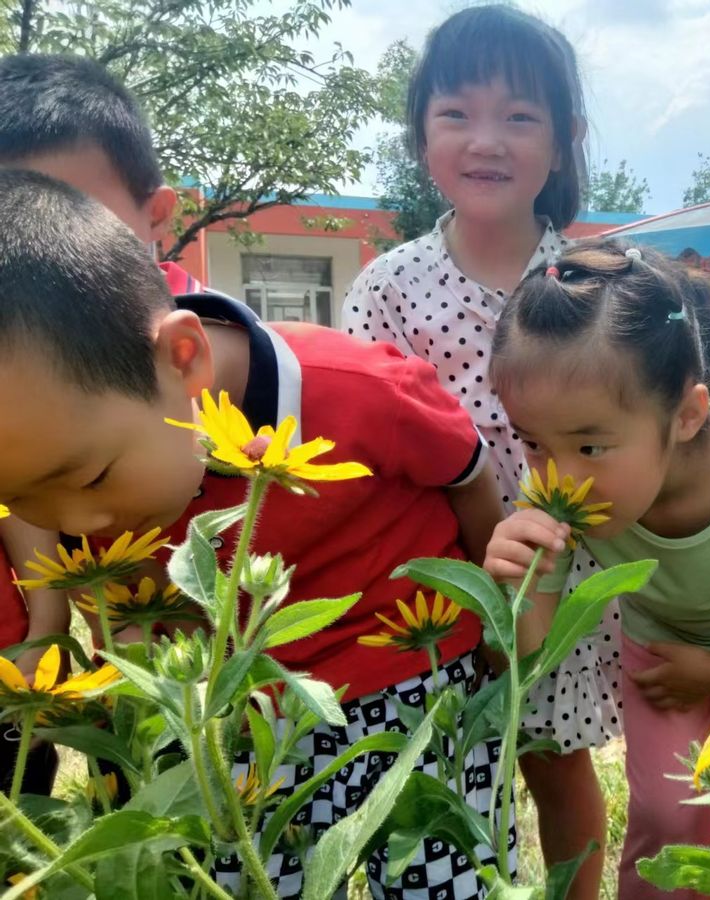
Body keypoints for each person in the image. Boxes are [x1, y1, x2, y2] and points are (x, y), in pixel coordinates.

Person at [0, 168, 506, 899]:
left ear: (183, 359)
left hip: (409, 676)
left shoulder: (359, 388)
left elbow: (467, 474)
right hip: (234, 713)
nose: (76, 525)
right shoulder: (76, 447)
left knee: (442, 875)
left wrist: (497, 617)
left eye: (91, 478)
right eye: (22, 498)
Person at [482, 240, 710, 900]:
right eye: (533, 442)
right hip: (658, 661)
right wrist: (514, 588)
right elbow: (529, 653)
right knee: (668, 818)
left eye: (590, 445)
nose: (558, 476)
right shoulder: (558, 497)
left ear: (685, 415)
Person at [342, 9, 615, 898]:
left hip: (564, 567)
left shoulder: (595, 280)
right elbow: (367, 444)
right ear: (422, 135)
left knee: (556, 762)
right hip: (443, 578)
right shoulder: (389, 287)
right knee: (453, 769)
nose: (486, 140)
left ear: (564, 141)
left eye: (520, 116)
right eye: (456, 113)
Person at [0, 52, 199, 798]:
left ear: (156, 216)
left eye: (68, 208)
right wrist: (48, 624)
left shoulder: (198, 347)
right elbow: (24, 488)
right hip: (121, 647)